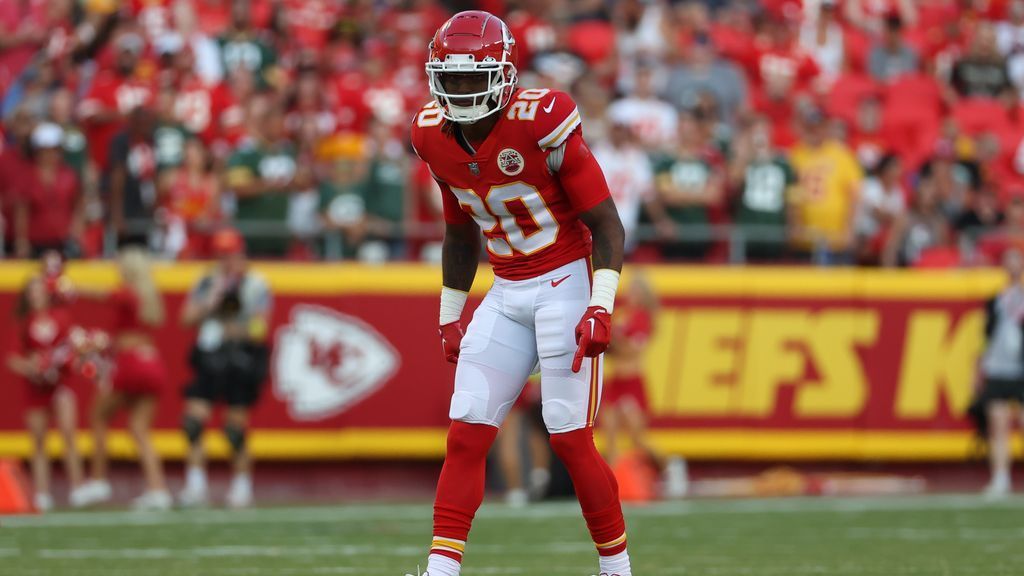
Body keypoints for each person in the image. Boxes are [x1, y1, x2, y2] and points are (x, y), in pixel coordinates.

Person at [408, 11, 632, 576]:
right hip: (505, 290)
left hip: (564, 284)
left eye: (469, 78)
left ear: (502, 74)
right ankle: (440, 571)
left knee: (571, 440)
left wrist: (600, 304)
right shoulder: (430, 133)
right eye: (449, 78)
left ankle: (617, 570)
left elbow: (607, 224)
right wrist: (449, 313)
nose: (458, 90)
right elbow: (459, 229)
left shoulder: (542, 118)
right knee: (465, 434)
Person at [178, 227, 272, 509]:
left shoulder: (256, 284)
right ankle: (195, 486)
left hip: (240, 356)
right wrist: (211, 303)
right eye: (222, 254)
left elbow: (260, 328)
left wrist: (237, 328)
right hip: (210, 355)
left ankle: (242, 487)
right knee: (193, 422)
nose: (227, 260)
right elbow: (186, 318)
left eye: (231, 254)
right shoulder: (207, 281)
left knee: (235, 428)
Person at [77, 247, 172, 510]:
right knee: (140, 429)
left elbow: (105, 296)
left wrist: (71, 287)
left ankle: (98, 480)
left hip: (130, 364)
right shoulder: (150, 296)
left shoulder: (130, 293)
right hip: (152, 362)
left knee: (98, 417)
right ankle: (158, 488)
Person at [600, 273, 686, 499]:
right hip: (615, 381)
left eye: (636, 290)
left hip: (632, 383)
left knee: (637, 439)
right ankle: (614, 485)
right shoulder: (622, 315)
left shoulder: (643, 318)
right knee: (609, 434)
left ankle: (669, 466)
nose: (631, 294)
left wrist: (612, 339)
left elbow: (631, 350)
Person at [6, 276, 87, 511]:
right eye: (32, 291)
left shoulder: (61, 317)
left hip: (61, 384)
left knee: (68, 434)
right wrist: (31, 367)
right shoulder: (23, 322)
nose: (36, 296)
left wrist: (58, 364)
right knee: (39, 440)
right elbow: (12, 358)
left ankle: (78, 487)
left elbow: (75, 347)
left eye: (40, 291)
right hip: (35, 387)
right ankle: (42, 492)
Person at [979, 248, 1024, 497]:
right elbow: (985, 336)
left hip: (1022, 368)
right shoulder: (996, 299)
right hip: (998, 367)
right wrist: (980, 367)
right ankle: (1000, 476)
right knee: (998, 424)